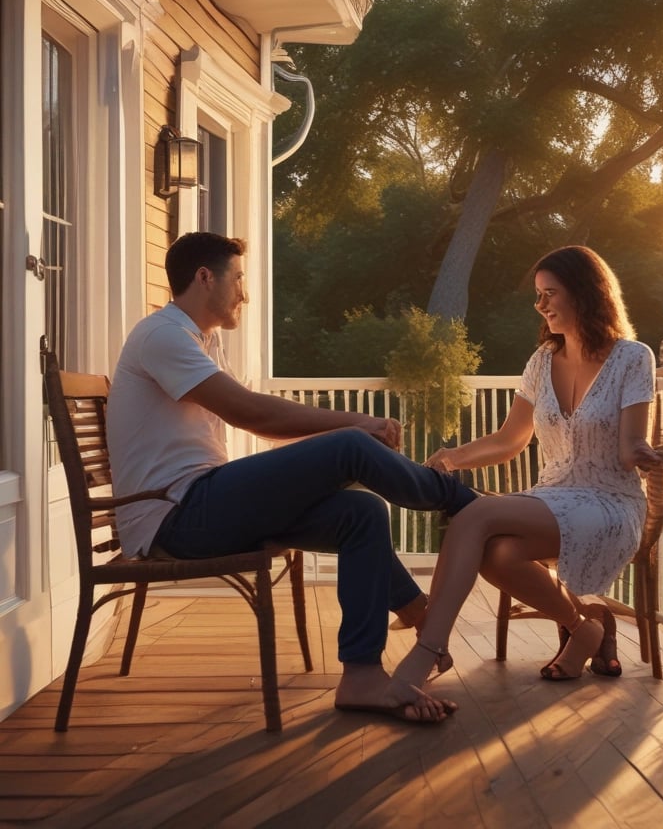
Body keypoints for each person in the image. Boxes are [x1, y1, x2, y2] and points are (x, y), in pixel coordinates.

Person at [106, 232, 479, 724]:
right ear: (204, 277)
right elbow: (249, 413)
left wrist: (329, 452)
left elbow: (263, 425)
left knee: (363, 512)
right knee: (349, 445)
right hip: (175, 514)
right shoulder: (162, 336)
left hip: (203, 502)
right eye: (238, 278)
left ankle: (366, 670)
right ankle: (465, 501)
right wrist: (355, 425)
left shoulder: (200, 340)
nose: (245, 291)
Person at [391, 245, 663, 693]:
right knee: (498, 553)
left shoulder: (633, 357)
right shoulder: (541, 361)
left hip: (612, 501)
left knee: (475, 515)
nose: (540, 305)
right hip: (554, 495)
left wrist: (642, 451)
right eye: (538, 295)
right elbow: (510, 439)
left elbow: (628, 447)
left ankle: (429, 646)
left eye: (549, 293)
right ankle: (584, 630)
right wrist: (453, 455)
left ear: (584, 293)